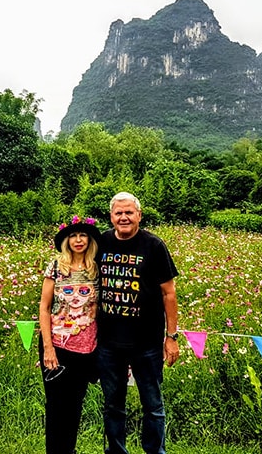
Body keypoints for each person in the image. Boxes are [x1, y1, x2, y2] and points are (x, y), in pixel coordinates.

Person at [97, 192, 180, 454]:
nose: (124, 217)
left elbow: (169, 293)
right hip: (109, 342)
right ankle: (116, 452)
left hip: (147, 343)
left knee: (153, 406)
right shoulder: (101, 242)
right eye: (118, 213)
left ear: (139, 216)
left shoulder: (154, 246)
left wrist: (172, 336)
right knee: (113, 405)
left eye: (129, 212)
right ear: (111, 217)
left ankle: (155, 452)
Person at [39, 215, 102, 454]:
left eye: (83, 235)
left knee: (75, 405)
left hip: (87, 348)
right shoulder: (56, 267)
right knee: (56, 406)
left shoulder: (97, 268)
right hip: (57, 346)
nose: (78, 240)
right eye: (73, 235)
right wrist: (48, 348)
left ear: (90, 239)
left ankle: (69, 450)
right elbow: (44, 307)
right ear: (66, 240)